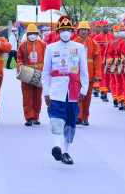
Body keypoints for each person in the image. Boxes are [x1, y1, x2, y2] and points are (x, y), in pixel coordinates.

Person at [42, 15, 89, 165]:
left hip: (73, 89)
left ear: (72, 31)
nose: (66, 32)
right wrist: (46, 92)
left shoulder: (79, 48)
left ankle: (66, 151)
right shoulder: (50, 48)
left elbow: (84, 71)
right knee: (56, 115)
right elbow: (45, 72)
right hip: (56, 88)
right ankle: (57, 145)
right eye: (63, 30)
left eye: (68, 29)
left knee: (70, 120)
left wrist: (85, 89)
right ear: (58, 31)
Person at [17, 24, 46, 126]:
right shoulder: (22, 45)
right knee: (27, 97)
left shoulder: (43, 44)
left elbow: (47, 59)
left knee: (38, 97)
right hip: (27, 73)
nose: (32, 35)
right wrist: (20, 65)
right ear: (27, 34)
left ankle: (36, 117)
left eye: (34, 33)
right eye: (30, 33)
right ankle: (29, 117)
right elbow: (19, 58)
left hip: (40, 72)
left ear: (37, 34)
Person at [74, 20, 101, 125]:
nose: (84, 32)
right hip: (76, 73)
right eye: (82, 30)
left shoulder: (94, 43)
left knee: (87, 97)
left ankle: (85, 118)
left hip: (89, 74)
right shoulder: (74, 42)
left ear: (88, 31)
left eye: (86, 30)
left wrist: (97, 75)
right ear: (78, 31)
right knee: (77, 95)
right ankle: (78, 116)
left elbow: (97, 61)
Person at [94, 21, 114, 102]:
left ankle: (106, 92)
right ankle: (102, 91)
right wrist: (103, 46)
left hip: (109, 59)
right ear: (102, 28)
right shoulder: (98, 37)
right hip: (101, 58)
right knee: (102, 76)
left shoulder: (112, 36)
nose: (105, 27)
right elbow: (95, 47)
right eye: (104, 26)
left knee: (109, 77)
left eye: (107, 26)